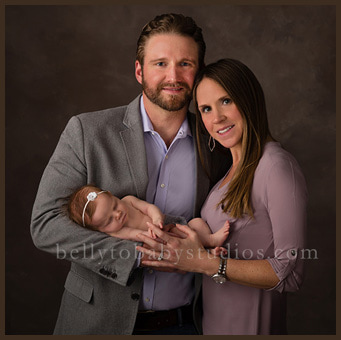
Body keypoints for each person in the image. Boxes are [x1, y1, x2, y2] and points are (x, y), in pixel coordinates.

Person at [30, 14, 230, 335]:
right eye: (160, 63)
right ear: (139, 71)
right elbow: (45, 226)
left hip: (185, 324)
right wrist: (135, 255)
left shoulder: (217, 144)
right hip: (95, 325)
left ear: (199, 73)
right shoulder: (87, 131)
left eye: (185, 64)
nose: (173, 76)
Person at [136, 58, 308, 335]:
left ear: (249, 99)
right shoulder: (227, 172)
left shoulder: (276, 166)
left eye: (226, 101)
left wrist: (203, 262)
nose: (217, 118)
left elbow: (290, 272)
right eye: (205, 108)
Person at [67, 184, 230, 248]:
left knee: (197, 223)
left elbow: (149, 208)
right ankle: (208, 249)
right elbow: (135, 234)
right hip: (160, 241)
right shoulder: (115, 232)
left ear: (112, 194)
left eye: (115, 205)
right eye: (108, 220)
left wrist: (157, 219)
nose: (117, 214)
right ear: (99, 229)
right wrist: (150, 234)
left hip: (171, 225)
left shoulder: (128, 201)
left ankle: (209, 242)